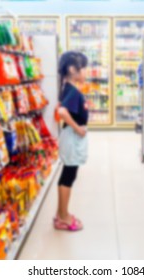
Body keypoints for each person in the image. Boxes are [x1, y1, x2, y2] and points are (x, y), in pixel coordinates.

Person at [54, 51, 89, 231]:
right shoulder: (73, 91)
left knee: (67, 175)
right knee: (69, 176)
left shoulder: (68, 87)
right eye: (83, 69)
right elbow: (62, 112)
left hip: (71, 137)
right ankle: (64, 218)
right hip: (73, 137)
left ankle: (61, 213)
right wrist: (78, 129)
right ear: (72, 69)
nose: (85, 73)